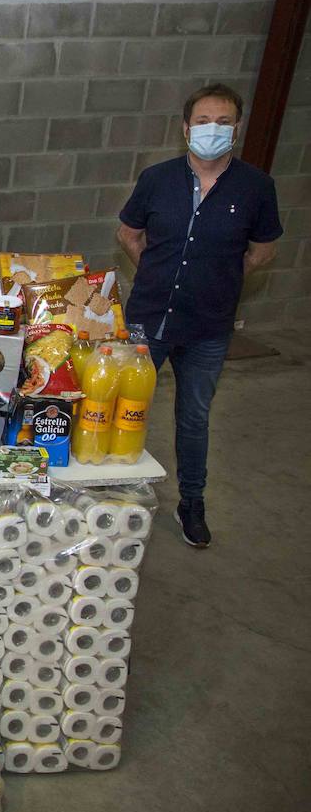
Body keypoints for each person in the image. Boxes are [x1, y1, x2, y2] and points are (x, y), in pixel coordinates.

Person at [116, 83, 281, 549]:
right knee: (125, 406)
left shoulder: (255, 188)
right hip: (150, 319)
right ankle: (117, 492)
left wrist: (218, 281)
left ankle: (191, 501)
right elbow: (129, 234)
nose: (213, 129)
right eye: (204, 121)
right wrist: (157, 273)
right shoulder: (157, 179)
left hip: (208, 326)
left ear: (237, 128)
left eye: (224, 121)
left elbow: (262, 252)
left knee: (194, 417)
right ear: (186, 128)